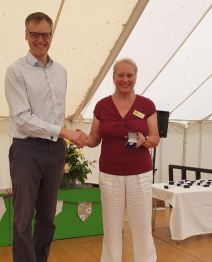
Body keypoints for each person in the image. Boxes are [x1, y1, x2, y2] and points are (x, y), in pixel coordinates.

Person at [4, 12, 86, 262]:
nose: (40, 39)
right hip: (26, 150)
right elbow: (22, 118)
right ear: (26, 35)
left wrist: (66, 136)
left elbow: (56, 113)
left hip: (55, 149)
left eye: (45, 34)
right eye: (34, 34)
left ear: (52, 36)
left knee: (47, 217)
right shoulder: (15, 71)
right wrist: (64, 131)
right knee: (23, 217)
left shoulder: (60, 71)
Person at [86, 58, 160, 262]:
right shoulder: (102, 106)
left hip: (140, 175)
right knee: (111, 228)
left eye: (129, 75)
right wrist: (84, 140)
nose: (125, 79)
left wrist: (144, 140)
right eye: (121, 75)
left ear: (135, 77)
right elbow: (95, 138)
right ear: (113, 77)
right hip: (110, 175)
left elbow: (155, 139)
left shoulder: (147, 105)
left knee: (142, 227)